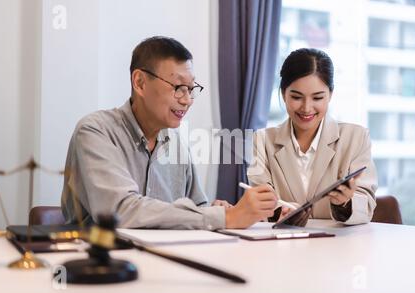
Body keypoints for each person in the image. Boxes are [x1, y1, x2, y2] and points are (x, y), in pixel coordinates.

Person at [61, 36, 278, 229]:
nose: (187, 100)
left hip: (166, 258)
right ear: (140, 83)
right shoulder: (95, 132)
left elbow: (197, 207)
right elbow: (121, 210)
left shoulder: (175, 143)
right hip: (104, 265)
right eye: (178, 87)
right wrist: (223, 217)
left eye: (191, 89)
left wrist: (217, 208)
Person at [247, 48, 377, 226]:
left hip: (339, 246)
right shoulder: (262, 141)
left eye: (317, 98)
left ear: (330, 95)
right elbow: (260, 198)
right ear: (284, 93)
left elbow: (367, 204)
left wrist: (344, 203)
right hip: (283, 246)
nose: (307, 108)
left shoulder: (356, 138)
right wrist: (278, 211)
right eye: (296, 97)